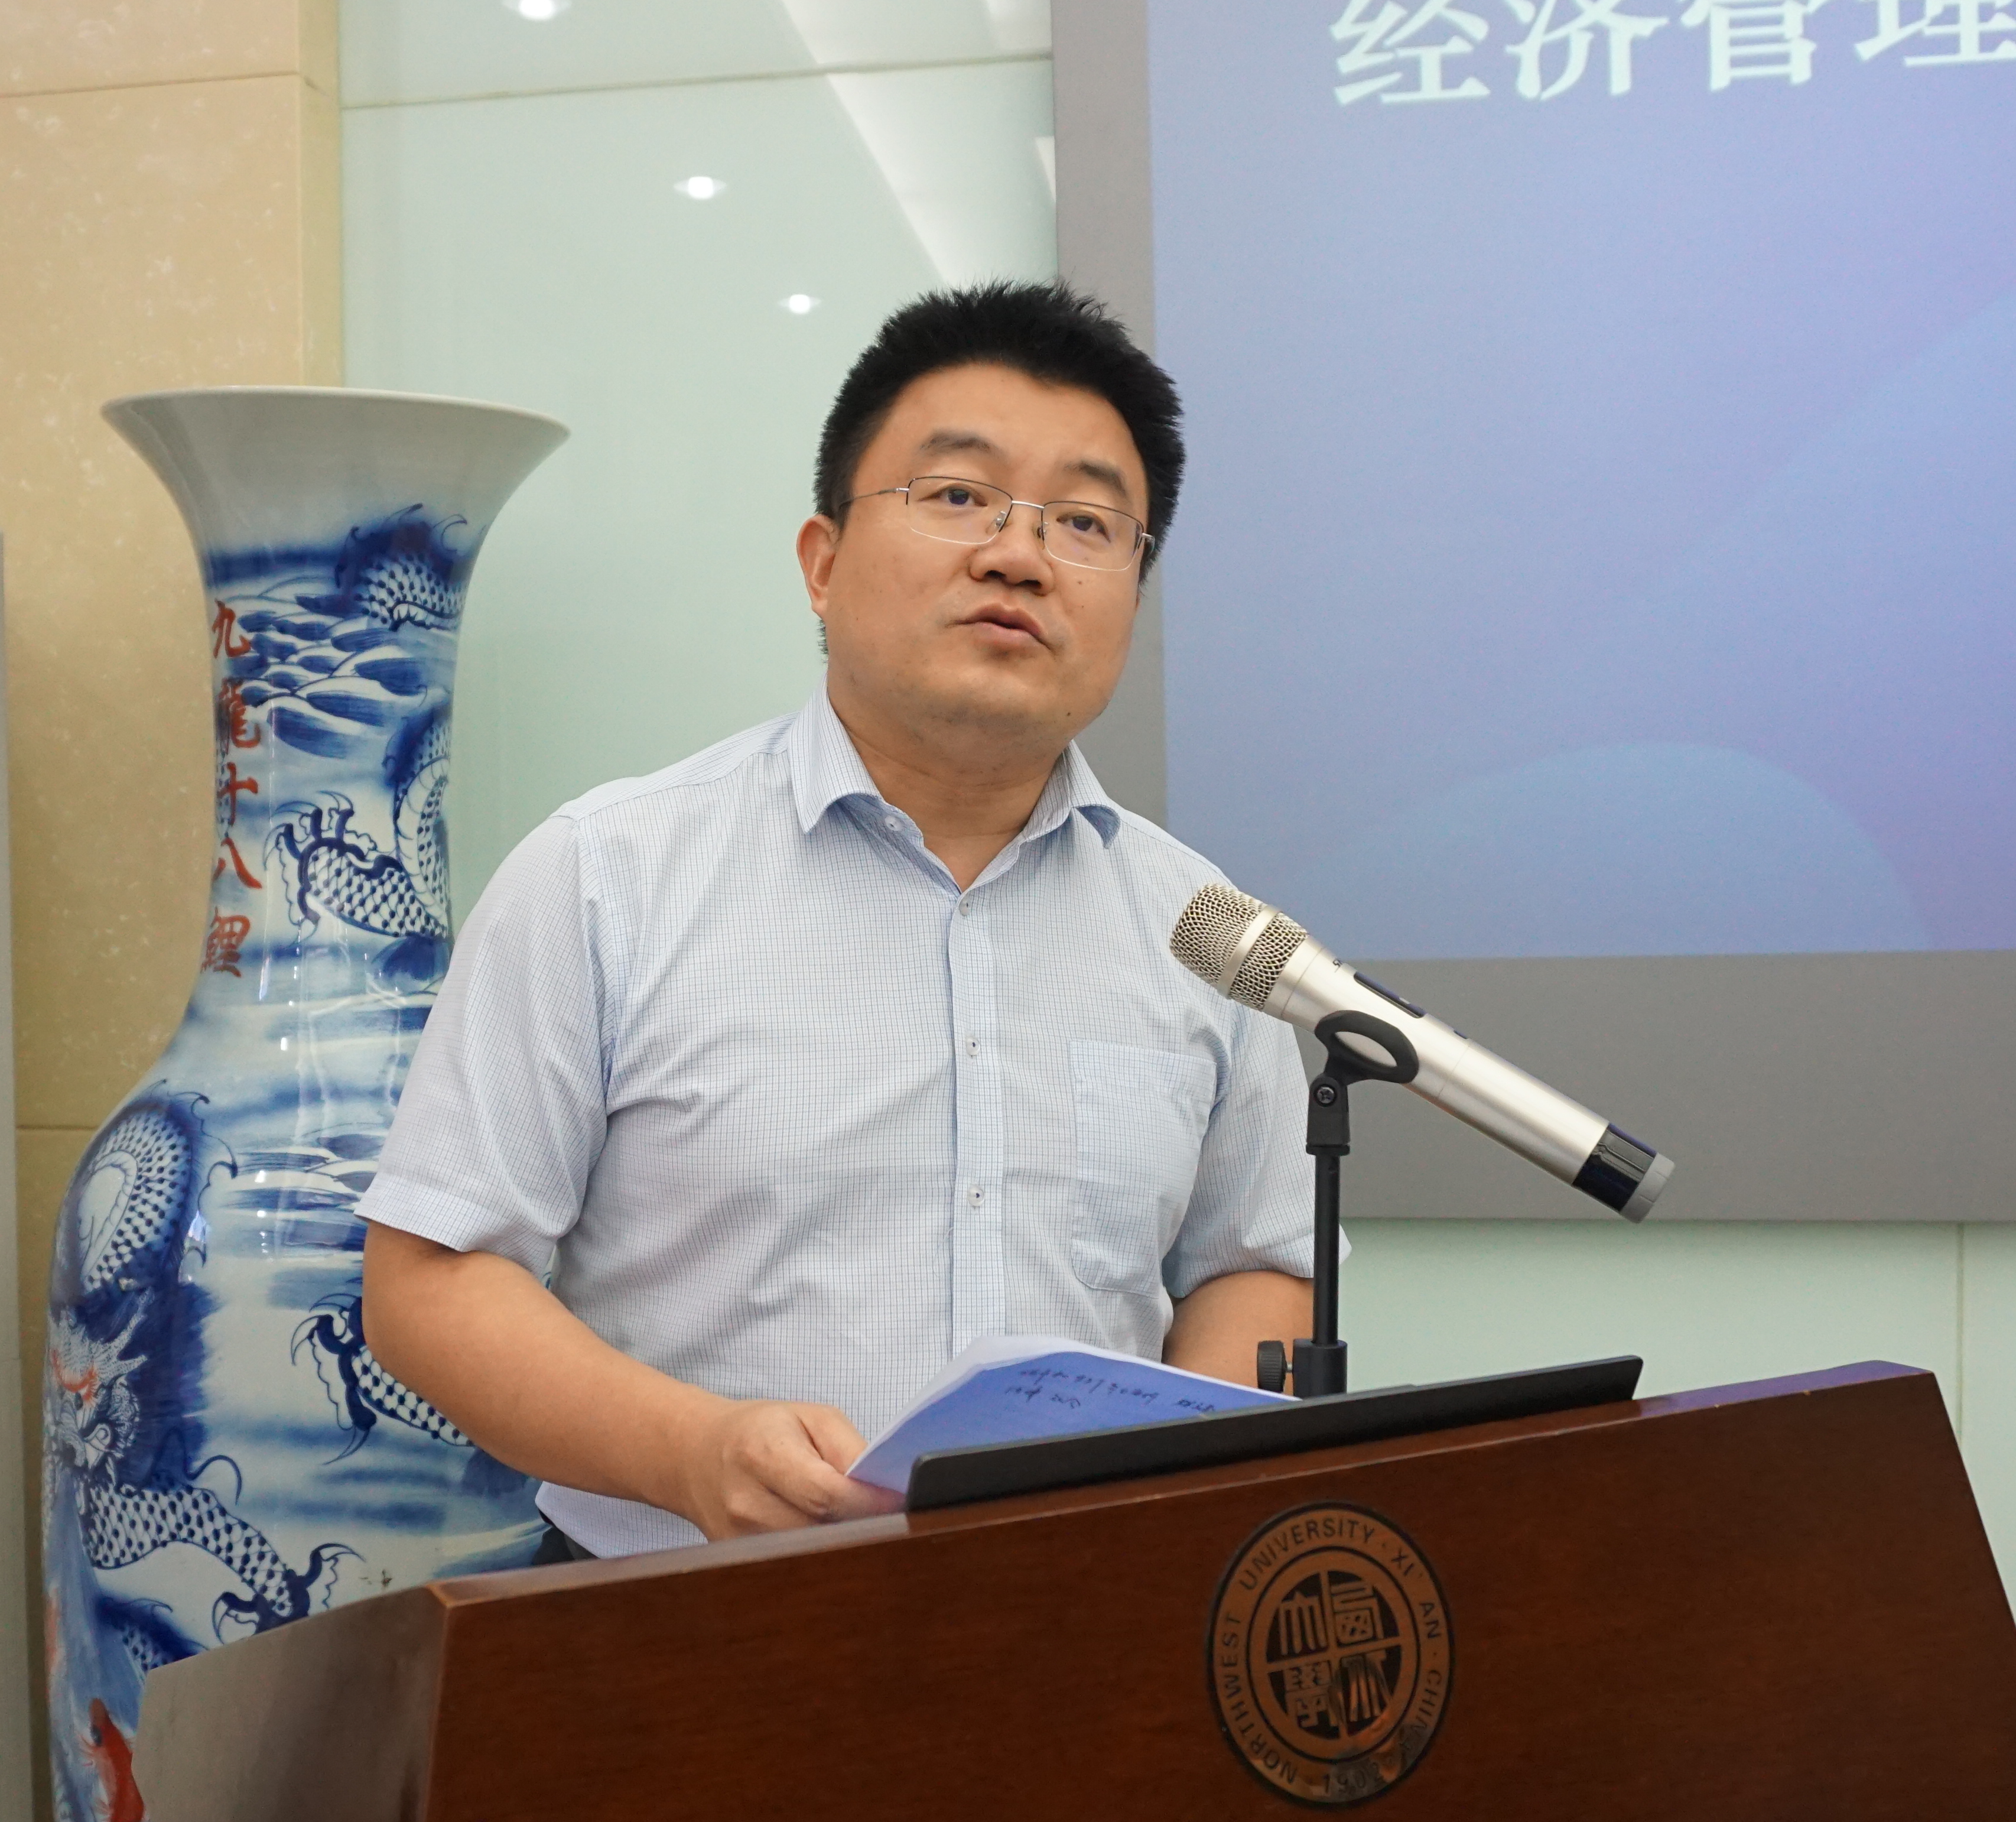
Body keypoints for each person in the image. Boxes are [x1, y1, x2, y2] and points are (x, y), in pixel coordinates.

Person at [358, 280, 1321, 1556]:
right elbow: (431, 1281)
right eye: (959, 495)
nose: (1019, 556)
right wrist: (689, 1450)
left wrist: (1166, 1489)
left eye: (1087, 523)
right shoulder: (606, 874)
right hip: (678, 1614)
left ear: (1133, 597)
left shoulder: (1205, 929)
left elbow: (1255, 1264)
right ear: (822, 563)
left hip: (1077, 1614)